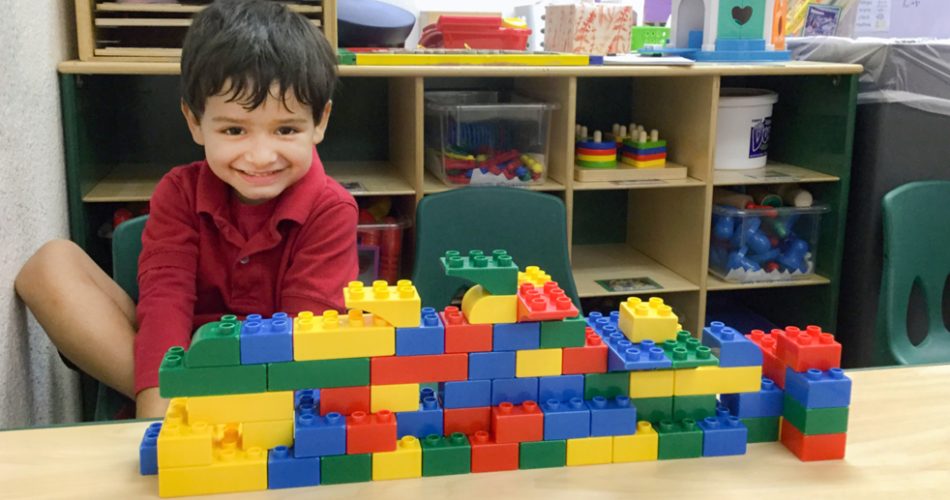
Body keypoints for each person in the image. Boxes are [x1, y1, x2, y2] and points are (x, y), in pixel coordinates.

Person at [15, 0, 357, 418]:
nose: (261, 156)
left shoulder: (331, 207)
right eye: (234, 129)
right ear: (195, 122)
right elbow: (164, 300)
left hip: (275, 384)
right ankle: (180, 405)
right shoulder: (179, 191)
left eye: (286, 130)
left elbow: (304, 334)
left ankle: (201, 408)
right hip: (184, 360)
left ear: (320, 122)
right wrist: (156, 407)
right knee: (49, 265)